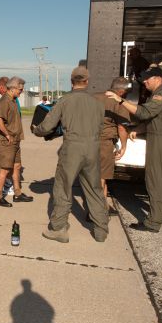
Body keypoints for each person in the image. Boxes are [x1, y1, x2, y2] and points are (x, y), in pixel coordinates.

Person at [32, 66, 108, 243]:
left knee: (63, 187)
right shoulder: (98, 103)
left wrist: (37, 130)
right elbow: (100, 127)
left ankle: (59, 229)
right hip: (93, 147)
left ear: (71, 81)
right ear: (87, 82)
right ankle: (101, 230)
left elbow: (48, 125)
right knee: (94, 188)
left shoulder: (65, 100)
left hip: (72, 147)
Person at [106, 66, 162, 232]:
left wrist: (120, 101)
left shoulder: (159, 95)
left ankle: (153, 222)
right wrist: (138, 130)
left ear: (158, 79)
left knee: (155, 180)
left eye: (148, 78)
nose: (145, 82)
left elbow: (144, 113)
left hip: (160, 141)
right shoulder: (160, 95)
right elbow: (155, 120)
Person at [0, 76, 34, 207]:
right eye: (20, 89)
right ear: (13, 88)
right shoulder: (4, 101)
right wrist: (6, 134)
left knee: (17, 167)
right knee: (5, 169)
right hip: (7, 141)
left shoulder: (13, 100)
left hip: (16, 140)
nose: (21, 92)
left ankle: (17, 194)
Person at [93, 77, 131, 214]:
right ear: (121, 91)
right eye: (126, 92)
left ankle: (104, 207)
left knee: (96, 177)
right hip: (104, 143)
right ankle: (95, 212)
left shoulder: (94, 97)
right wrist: (124, 146)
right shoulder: (119, 102)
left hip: (87, 142)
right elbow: (122, 128)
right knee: (101, 177)